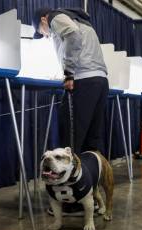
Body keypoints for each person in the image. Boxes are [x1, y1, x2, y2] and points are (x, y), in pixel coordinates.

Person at [32, 8, 109, 215]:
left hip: (83, 81)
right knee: (92, 145)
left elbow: (72, 35)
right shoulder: (82, 20)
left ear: (43, 20)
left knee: (71, 144)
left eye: (43, 31)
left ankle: (72, 202)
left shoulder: (56, 17)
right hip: (100, 81)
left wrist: (68, 73)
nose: (46, 35)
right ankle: (91, 198)